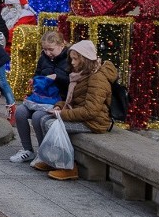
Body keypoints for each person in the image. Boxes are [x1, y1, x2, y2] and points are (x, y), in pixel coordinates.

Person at [32, 39, 115, 181]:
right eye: (72, 59)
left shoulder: (97, 78)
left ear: (85, 60)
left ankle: (67, 167)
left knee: (51, 123)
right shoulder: (82, 74)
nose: (73, 63)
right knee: (44, 118)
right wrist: (60, 105)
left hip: (94, 122)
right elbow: (76, 100)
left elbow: (91, 111)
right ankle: (52, 160)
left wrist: (62, 114)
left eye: (76, 59)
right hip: (85, 115)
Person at [9, 31, 71, 164]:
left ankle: (44, 152)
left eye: (51, 49)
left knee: (38, 116)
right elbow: (38, 73)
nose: (48, 53)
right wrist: (34, 80)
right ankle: (27, 150)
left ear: (62, 45)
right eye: (45, 49)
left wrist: (57, 77)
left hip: (59, 99)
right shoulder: (44, 58)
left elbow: (73, 81)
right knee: (20, 112)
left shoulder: (69, 59)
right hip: (42, 97)